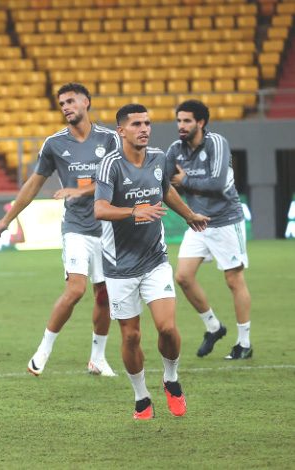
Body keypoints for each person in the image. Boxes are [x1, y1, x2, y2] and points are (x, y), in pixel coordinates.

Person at [0, 83, 120, 377]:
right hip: (76, 228)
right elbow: (33, 184)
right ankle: (43, 351)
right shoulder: (54, 144)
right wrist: (7, 220)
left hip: (108, 228)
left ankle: (97, 358)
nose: (66, 107)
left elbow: (119, 179)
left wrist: (81, 191)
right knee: (76, 289)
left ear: (86, 102)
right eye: (62, 103)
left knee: (104, 295)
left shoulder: (111, 140)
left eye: (71, 101)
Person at [94, 103, 209, 419]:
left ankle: (171, 380)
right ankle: (141, 397)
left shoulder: (159, 158)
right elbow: (100, 209)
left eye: (147, 123)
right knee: (131, 336)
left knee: (167, 328)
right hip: (118, 268)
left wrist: (188, 215)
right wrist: (134, 211)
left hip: (155, 260)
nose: (144, 129)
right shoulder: (110, 166)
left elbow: (166, 189)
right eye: (136, 124)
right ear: (121, 131)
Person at [165, 100, 252, 360]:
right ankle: (214, 326)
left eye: (187, 121)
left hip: (226, 220)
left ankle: (244, 343)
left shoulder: (216, 143)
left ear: (200, 122)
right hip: (198, 222)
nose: (181, 125)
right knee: (182, 277)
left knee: (234, 280)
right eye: (179, 120)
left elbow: (216, 183)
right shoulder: (175, 149)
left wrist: (185, 181)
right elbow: (163, 179)